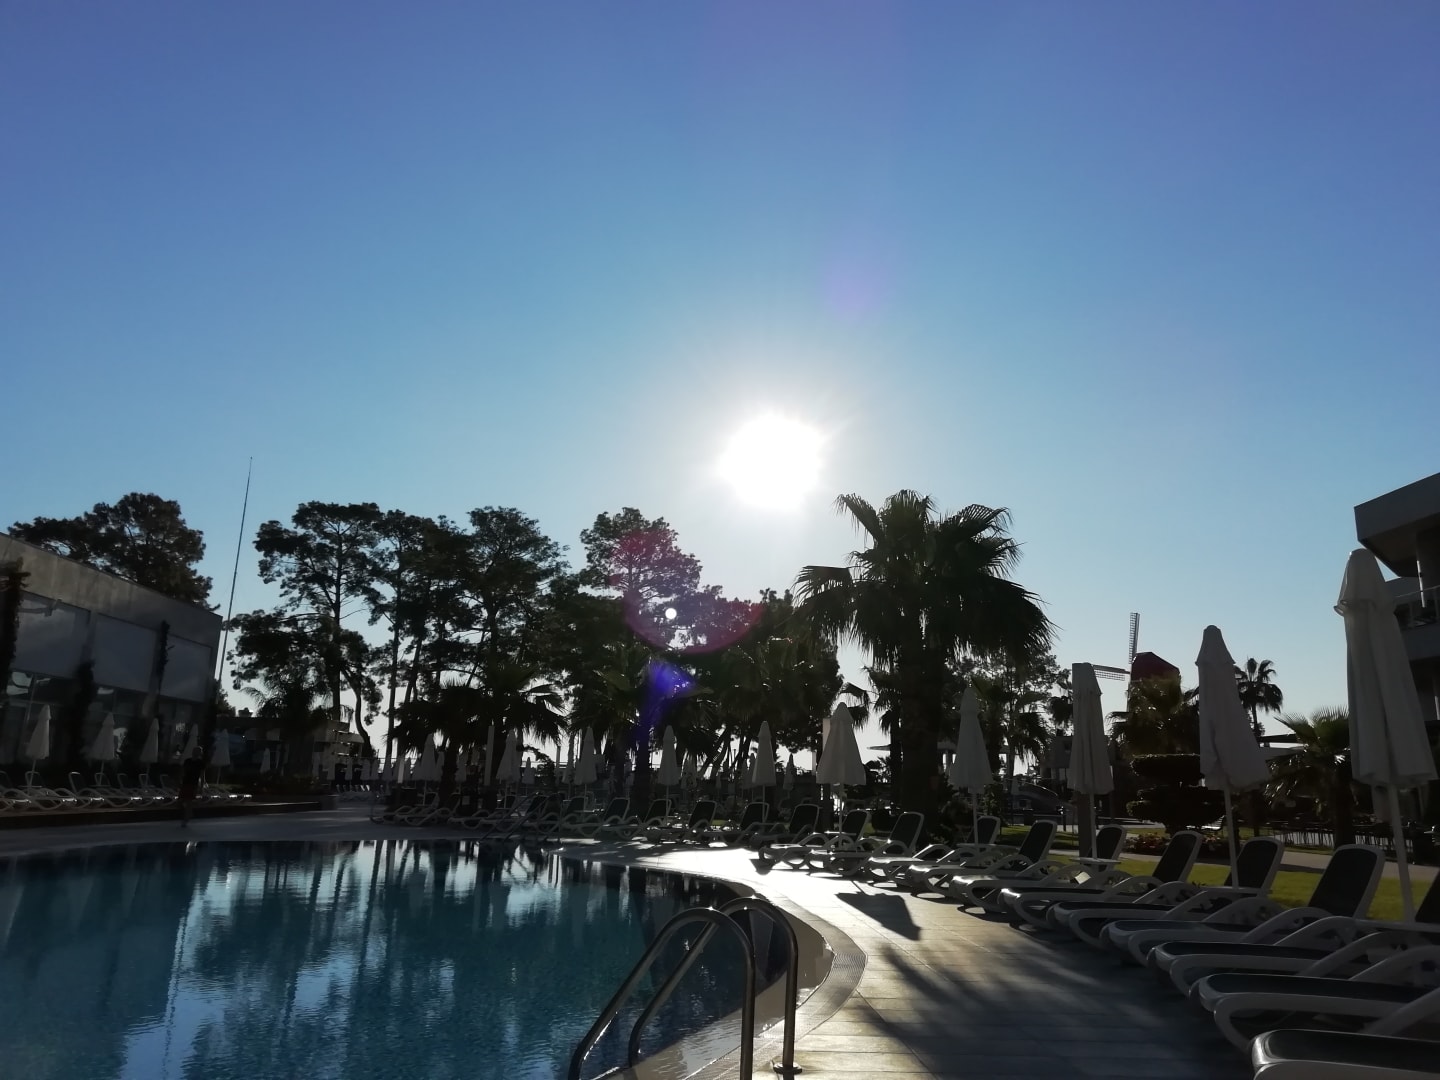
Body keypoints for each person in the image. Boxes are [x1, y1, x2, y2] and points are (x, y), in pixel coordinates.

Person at [179, 749, 205, 827]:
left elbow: (202, 775)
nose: (195, 753)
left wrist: (201, 787)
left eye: (198, 752)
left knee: (189, 801)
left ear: (200, 753)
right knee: (180, 801)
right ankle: (189, 813)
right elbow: (183, 771)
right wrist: (180, 780)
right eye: (195, 751)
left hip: (193, 784)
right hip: (185, 783)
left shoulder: (200, 763)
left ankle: (186, 819)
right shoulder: (187, 761)